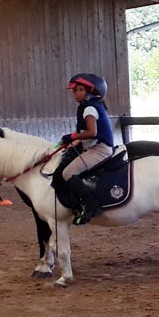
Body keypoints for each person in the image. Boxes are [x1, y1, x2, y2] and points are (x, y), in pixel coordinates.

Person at [60, 71, 116, 225]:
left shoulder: (89, 108)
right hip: (93, 147)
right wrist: (73, 141)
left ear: (91, 91)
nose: (75, 94)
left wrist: (72, 137)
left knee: (68, 173)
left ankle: (91, 206)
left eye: (80, 90)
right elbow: (85, 133)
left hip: (100, 150)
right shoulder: (91, 106)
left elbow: (92, 132)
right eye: (75, 91)